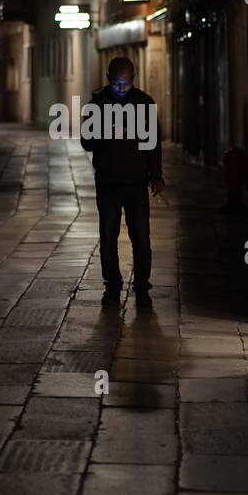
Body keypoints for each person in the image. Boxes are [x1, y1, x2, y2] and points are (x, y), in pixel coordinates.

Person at [80, 57, 164, 308]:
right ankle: (112, 287)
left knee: (142, 238)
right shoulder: (97, 105)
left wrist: (156, 175)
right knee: (108, 237)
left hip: (137, 182)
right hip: (108, 182)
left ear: (133, 80)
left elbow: (154, 144)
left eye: (126, 84)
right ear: (109, 79)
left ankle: (142, 287)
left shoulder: (144, 103)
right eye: (117, 84)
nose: (121, 89)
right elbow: (86, 143)